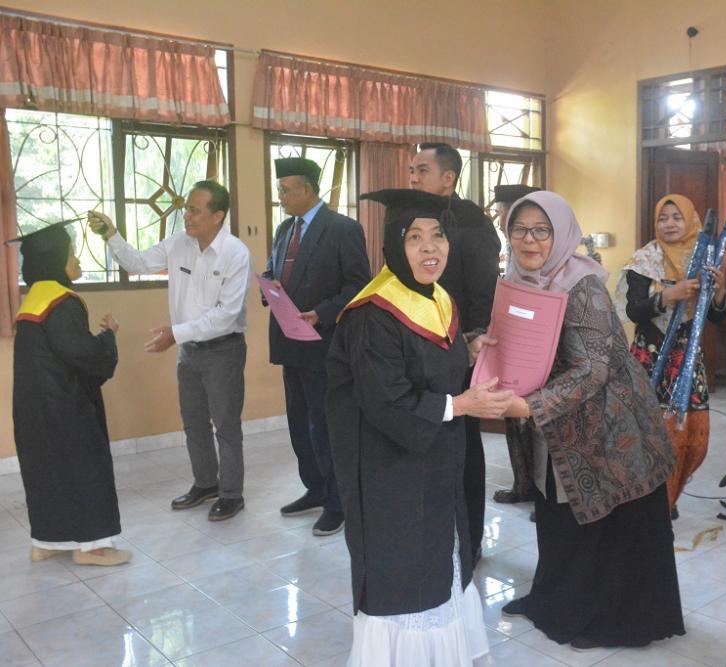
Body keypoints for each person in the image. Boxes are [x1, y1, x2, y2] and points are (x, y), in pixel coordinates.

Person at [326, 188, 512, 666]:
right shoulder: (374, 313)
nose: (431, 248)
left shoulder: (437, 299)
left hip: (432, 461)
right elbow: (387, 401)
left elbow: (427, 367)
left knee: (439, 555)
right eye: (415, 238)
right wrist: (462, 404)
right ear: (392, 244)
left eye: (439, 236)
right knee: (404, 570)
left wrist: (465, 352)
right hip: (389, 466)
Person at [498, 191, 685, 650]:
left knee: (599, 525)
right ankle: (552, 598)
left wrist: (532, 407)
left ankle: (604, 618)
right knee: (556, 515)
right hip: (555, 427)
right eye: (519, 228)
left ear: (560, 233)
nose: (530, 239)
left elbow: (594, 368)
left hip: (606, 426)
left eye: (541, 230)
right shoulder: (517, 279)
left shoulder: (580, 286)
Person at [89, 181, 253, 521]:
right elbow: (138, 264)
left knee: (225, 425)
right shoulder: (179, 243)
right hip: (189, 351)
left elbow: (226, 316)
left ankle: (231, 494)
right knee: (193, 422)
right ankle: (206, 483)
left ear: (218, 216)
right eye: (186, 208)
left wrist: (174, 334)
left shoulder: (236, 254)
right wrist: (111, 234)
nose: (186, 215)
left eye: (195, 210)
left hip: (224, 350)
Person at [11, 222, 130, 566]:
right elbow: (82, 355)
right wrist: (108, 336)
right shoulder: (62, 301)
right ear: (54, 261)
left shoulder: (33, 299)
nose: (77, 260)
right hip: (65, 407)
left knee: (44, 469)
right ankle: (94, 547)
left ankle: (48, 541)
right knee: (83, 466)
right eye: (71, 253)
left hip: (32, 408)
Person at [263, 157, 370, 536]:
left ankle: (338, 502)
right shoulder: (283, 230)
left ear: (307, 189)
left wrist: (321, 313)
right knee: (299, 427)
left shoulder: (343, 229)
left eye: (286, 190)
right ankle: (315, 488)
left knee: (325, 427)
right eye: (279, 191)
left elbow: (360, 285)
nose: (281, 197)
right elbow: (275, 271)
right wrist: (268, 288)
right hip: (289, 343)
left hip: (324, 345)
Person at [409, 142, 501, 560]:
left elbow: (484, 291)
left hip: (459, 349)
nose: (413, 177)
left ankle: (471, 537)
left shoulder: (472, 222)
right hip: (417, 345)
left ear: (448, 177)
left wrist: (472, 341)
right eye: (412, 169)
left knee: (463, 446)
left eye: (422, 170)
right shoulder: (415, 218)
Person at [614, 193, 726, 515]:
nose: (669, 224)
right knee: (648, 432)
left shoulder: (704, 259)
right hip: (649, 360)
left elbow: (717, 317)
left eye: (677, 217)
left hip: (688, 361)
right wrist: (668, 296)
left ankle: (671, 489)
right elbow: (634, 310)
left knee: (694, 438)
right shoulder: (643, 261)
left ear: (690, 220)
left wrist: (719, 290)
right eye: (663, 218)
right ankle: (651, 498)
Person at [490, 184, 540, 506]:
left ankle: (541, 495)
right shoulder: (509, 247)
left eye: (503, 211)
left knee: (538, 426)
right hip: (512, 345)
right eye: (499, 213)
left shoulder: (544, 247)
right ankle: (521, 485)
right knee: (513, 421)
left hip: (539, 350)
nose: (499, 218)